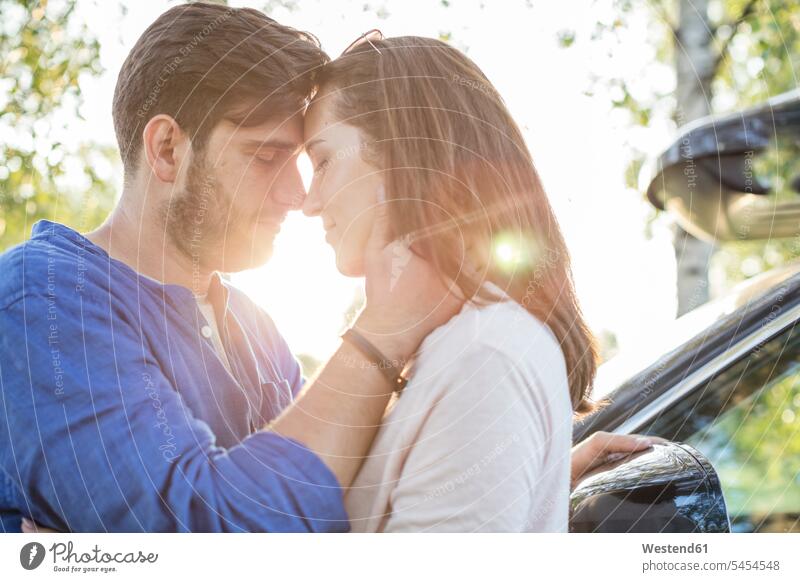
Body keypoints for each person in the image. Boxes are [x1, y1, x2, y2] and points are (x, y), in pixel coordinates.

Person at [6, 4, 658, 534]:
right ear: (169, 149)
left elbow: (322, 509)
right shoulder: (41, 303)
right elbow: (209, 541)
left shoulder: (254, 330)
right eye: (267, 157)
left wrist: (494, 463)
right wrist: (381, 334)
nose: (297, 194)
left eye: (310, 161)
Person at [301, 33, 656, 531]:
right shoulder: (458, 348)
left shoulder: (485, 356)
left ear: (401, 153)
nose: (308, 201)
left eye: (321, 162)